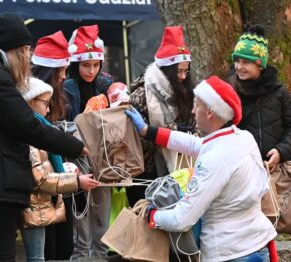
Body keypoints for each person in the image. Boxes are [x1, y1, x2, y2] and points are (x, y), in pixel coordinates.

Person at [0, 13, 88, 261]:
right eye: (25, 50)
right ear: (15, 50)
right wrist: (74, 146)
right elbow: (27, 124)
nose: (27, 58)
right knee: (2, 254)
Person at [125, 76, 277, 261]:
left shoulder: (214, 159)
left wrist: (152, 214)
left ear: (210, 112)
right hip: (257, 243)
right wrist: (147, 130)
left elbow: (182, 219)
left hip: (228, 253)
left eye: (197, 105)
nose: (192, 110)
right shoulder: (242, 137)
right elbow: (196, 144)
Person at [19, 77, 99, 262]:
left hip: (44, 205)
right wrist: (76, 181)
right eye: (45, 104)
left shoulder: (40, 128)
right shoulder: (32, 133)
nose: (48, 110)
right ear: (31, 102)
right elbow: (40, 178)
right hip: (37, 206)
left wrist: (65, 169)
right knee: (38, 257)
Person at [127, 25, 195, 206]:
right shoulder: (142, 94)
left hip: (181, 166)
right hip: (147, 171)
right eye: (178, 71)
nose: (182, 76)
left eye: (186, 71)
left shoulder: (187, 91)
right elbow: (134, 140)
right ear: (166, 70)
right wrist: (174, 132)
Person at [64, 24, 113, 260]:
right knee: (80, 228)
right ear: (75, 63)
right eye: (85, 65)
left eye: (96, 65)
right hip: (76, 163)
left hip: (104, 162)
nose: (91, 70)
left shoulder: (107, 85)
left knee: (103, 224)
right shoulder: (66, 88)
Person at [30, 31, 76, 260]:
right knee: (45, 251)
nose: (64, 77)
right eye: (61, 71)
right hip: (42, 186)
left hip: (58, 180)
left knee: (63, 246)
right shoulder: (31, 99)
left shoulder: (59, 95)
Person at [227, 25, 291, 171]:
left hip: (276, 170)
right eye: (237, 61)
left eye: (246, 62)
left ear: (260, 65)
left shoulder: (279, 92)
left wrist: (281, 151)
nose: (239, 67)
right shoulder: (229, 90)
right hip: (242, 171)